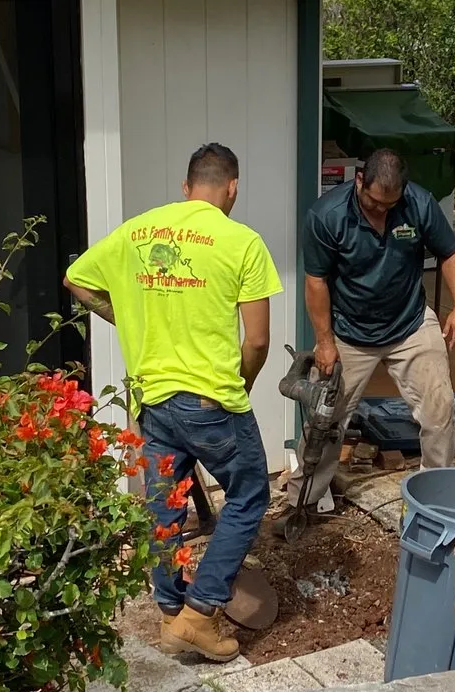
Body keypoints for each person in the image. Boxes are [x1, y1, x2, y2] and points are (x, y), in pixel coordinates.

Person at [64, 143, 282, 663]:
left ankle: (168, 610)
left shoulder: (138, 231)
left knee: (163, 508)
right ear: (232, 188)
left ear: (186, 188)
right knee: (250, 492)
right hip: (210, 402)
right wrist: (240, 388)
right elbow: (256, 342)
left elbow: (76, 280)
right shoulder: (242, 241)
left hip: (154, 402)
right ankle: (199, 613)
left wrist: (125, 318)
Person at [277, 148, 455, 530]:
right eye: (373, 202)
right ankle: (303, 500)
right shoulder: (326, 216)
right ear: (359, 181)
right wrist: (325, 342)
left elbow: (450, 254)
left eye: (390, 205)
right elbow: (316, 282)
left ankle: (434, 498)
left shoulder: (419, 204)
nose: (381, 211)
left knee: (440, 410)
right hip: (349, 331)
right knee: (324, 419)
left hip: (409, 323)